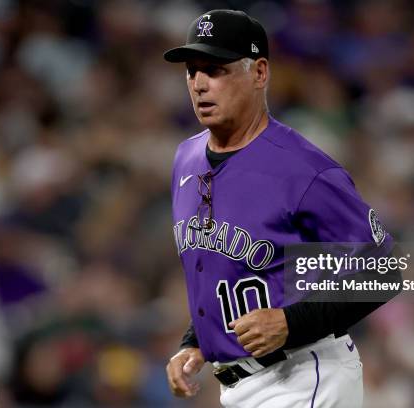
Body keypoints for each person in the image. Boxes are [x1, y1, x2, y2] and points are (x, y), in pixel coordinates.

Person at [163, 9, 399, 408]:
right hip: (241, 386)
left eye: (216, 69)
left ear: (259, 72)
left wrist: (292, 322)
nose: (200, 84)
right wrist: (197, 341)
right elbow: (227, 272)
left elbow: (383, 271)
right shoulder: (186, 158)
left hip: (306, 376)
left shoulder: (303, 168)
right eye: (192, 70)